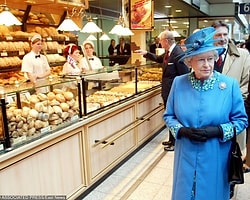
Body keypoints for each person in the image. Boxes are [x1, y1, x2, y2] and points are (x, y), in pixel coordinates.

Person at [163, 27, 248, 200]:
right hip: (185, 152)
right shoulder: (179, 83)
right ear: (190, 62)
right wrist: (181, 130)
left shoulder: (229, 85)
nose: (207, 64)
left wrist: (218, 130)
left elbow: (241, 120)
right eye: (201, 60)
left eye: (210, 58)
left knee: (212, 193)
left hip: (216, 153)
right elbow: (169, 116)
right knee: (184, 192)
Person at [135, 30, 190, 151]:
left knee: (174, 117)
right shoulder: (168, 52)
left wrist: (181, 93)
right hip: (167, 91)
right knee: (169, 116)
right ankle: (171, 140)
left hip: (174, 92)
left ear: (166, 41)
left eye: (160, 40)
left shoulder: (178, 53)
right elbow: (159, 59)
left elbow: (184, 74)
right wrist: (146, 53)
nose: (159, 43)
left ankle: (175, 143)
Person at [212, 21, 250, 184]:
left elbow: (247, 83)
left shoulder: (243, 55)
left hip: (232, 113)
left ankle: (229, 185)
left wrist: (229, 100)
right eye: (218, 35)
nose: (222, 38)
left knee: (231, 152)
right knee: (214, 153)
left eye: (225, 34)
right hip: (211, 114)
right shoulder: (205, 55)